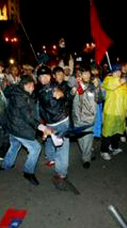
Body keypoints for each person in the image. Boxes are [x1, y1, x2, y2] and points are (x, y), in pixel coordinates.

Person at [1, 75, 53, 185]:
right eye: (31, 86)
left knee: (14, 145)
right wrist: (42, 128)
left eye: (33, 86)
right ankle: (28, 172)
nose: (33, 88)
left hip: (12, 126)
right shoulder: (21, 97)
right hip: (19, 128)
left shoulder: (19, 92)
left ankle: (6, 165)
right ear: (26, 85)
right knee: (36, 148)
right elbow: (28, 116)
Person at [37, 65, 78, 193]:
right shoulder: (39, 91)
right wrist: (43, 126)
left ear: (51, 76)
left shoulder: (57, 86)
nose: (43, 78)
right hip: (50, 123)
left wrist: (64, 94)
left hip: (61, 122)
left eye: (46, 75)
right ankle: (52, 160)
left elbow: (69, 96)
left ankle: (61, 174)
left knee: (62, 149)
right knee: (51, 143)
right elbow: (41, 109)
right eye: (41, 76)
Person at [72, 65, 103, 168]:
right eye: (84, 73)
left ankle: (86, 158)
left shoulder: (93, 86)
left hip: (89, 118)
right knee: (80, 139)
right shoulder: (76, 85)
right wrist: (75, 86)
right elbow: (70, 94)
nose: (87, 75)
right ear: (80, 75)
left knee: (87, 140)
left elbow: (99, 100)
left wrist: (98, 88)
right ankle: (87, 152)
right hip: (77, 118)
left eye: (88, 73)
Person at [100, 64, 127, 160]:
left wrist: (126, 109)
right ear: (112, 72)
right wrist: (119, 81)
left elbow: (125, 97)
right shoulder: (108, 79)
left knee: (117, 131)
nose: (118, 73)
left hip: (120, 111)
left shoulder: (123, 82)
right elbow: (110, 85)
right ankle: (104, 150)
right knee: (107, 131)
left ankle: (115, 147)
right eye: (116, 71)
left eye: (119, 71)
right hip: (110, 110)